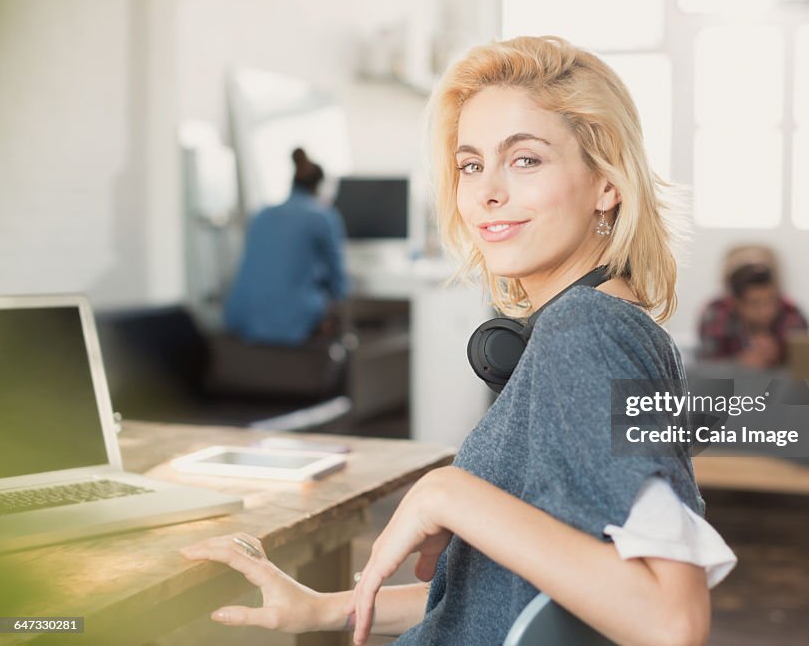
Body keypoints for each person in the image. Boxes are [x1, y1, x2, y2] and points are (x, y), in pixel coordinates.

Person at [181, 36, 736, 645]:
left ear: (607, 182)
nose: (485, 191)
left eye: (525, 159)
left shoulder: (586, 332)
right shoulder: (598, 325)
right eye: (471, 164)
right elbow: (507, 598)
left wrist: (448, 492)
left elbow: (669, 620)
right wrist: (323, 609)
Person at [224, 148, 350, 345]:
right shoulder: (323, 217)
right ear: (319, 187)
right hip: (287, 327)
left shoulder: (261, 215)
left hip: (242, 322)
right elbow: (340, 284)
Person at [697, 262, 809, 369]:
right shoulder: (716, 315)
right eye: (755, 304)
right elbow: (709, 369)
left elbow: (804, 365)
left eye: (771, 301)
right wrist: (739, 363)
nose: (766, 311)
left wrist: (779, 355)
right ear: (736, 303)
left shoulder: (791, 313)